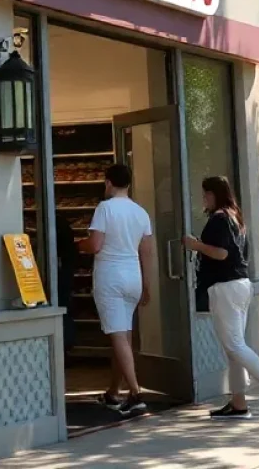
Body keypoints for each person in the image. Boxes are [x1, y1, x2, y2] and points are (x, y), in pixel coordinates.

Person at [183, 176, 259, 423]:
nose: (204, 199)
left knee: (234, 346)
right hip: (241, 286)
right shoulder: (235, 217)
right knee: (234, 349)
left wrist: (195, 245)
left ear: (214, 194)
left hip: (226, 288)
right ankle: (238, 403)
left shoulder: (219, 219)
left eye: (205, 195)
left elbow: (221, 253)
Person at [85, 163, 153, 418]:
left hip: (110, 276)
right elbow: (147, 251)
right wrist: (147, 284)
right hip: (133, 274)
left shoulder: (105, 208)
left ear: (108, 182)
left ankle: (135, 394)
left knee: (117, 336)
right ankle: (114, 392)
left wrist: (77, 244)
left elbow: (95, 245)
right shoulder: (141, 212)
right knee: (124, 336)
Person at [55, 211, 77, 352]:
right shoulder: (69, 244)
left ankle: (64, 346)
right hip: (66, 277)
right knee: (66, 311)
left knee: (62, 312)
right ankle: (67, 347)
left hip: (60, 278)